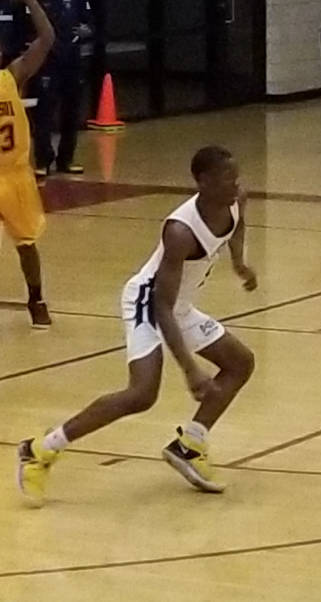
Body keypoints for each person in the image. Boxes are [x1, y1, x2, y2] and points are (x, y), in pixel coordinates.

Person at [16, 146, 258, 507]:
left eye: (235, 175)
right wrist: (190, 369)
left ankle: (190, 444)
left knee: (241, 362)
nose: (235, 183)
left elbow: (237, 224)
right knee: (142, 394)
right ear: (202, 182)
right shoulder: (180, 230)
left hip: (179, 305)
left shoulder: (236, 198)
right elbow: (161, 307)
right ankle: (40, 450)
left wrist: (239, 263)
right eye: (226, 177)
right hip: (148, 302)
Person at [0, 0, 55, 328]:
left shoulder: (12, 76)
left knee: (26, 243)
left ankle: (37, 298)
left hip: (14, 175)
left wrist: (31, 2)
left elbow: (47, 37)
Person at [29, 0, 92, 177]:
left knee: (71, 112)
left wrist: (86, 31)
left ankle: (66, 159)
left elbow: (89, 23)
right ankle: (43, 160)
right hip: (48, 61)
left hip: (72, 59)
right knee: (44, 112)